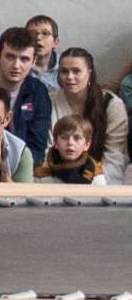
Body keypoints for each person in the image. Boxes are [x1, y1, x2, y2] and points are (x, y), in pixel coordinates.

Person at [0, 28, 53, 161]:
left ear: (34, 60)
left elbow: (37, 146)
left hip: (22, 166)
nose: (16, 65)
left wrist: (17, 169)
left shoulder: (38, 92)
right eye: (10, 57)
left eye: (24, 59)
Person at [51, 48, 128, 184]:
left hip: (101, 180)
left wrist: (98, 186)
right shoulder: (49, 101)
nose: (69, 76)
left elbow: (114, 156)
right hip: (56, 178)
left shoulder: (112, 104)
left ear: (89, 73)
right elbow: (48, 147)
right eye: (64, 71)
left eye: (76, 71)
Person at [38, 115, 103, 187]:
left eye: (77, 138)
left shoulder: (96, 173)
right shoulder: (42, 172)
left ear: (87, 145)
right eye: (64, 137)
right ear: (55, 142)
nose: (70, 142)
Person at [25, 15, 61, 96]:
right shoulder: (20, 66)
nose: (38, 38)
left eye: (45, 33)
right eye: (32, 34)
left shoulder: (64, 65)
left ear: (55, 42)